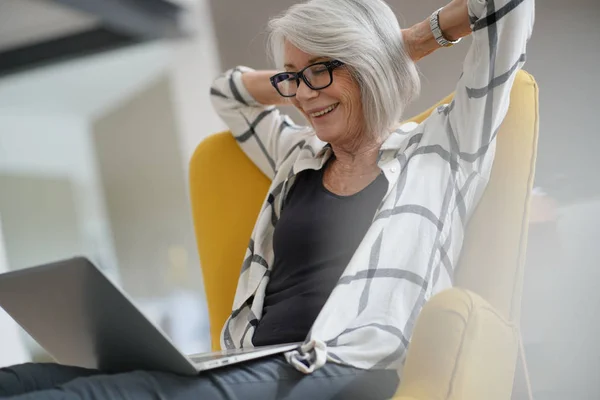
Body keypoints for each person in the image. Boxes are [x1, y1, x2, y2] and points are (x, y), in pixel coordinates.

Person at [0, 0, 535, 398]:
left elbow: (509, 7)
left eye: (321, 70)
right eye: (292, 78)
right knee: (22, 380)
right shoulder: (298, 154)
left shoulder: (445, 147)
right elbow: (227, 94)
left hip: (337, 370)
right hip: (251, 363)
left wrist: (406, 43)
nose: (302, 95)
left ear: (368, 65)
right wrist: (313, 70)